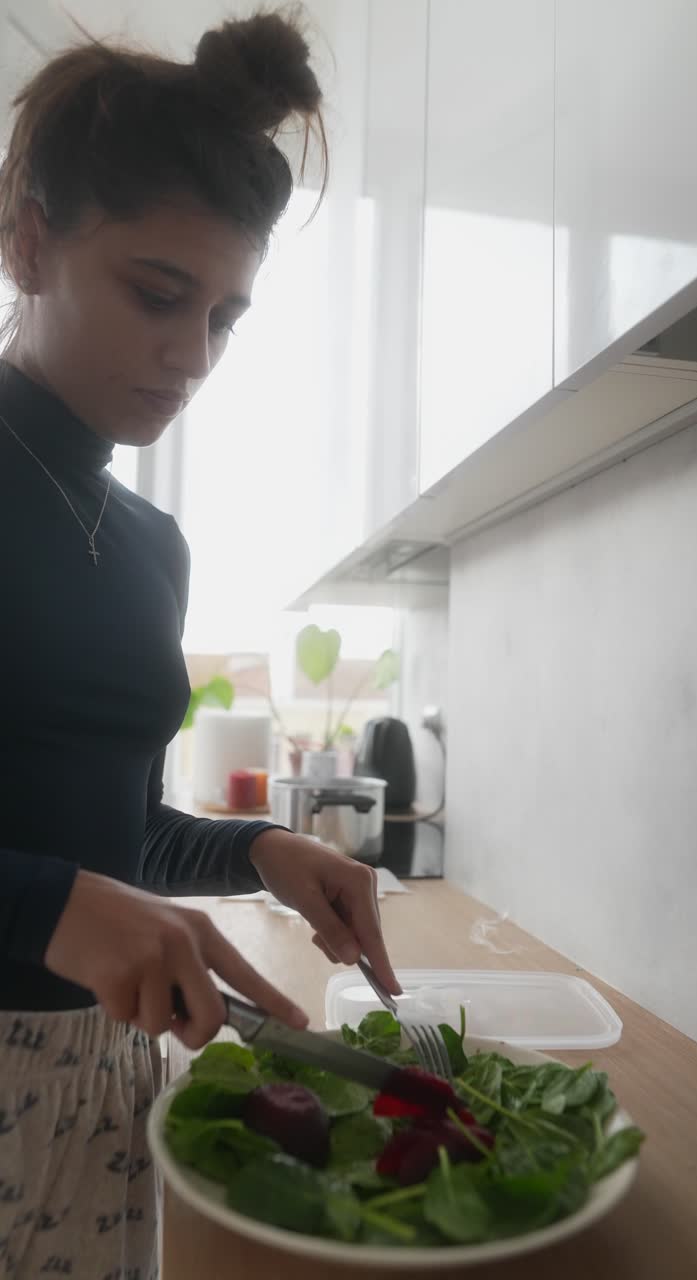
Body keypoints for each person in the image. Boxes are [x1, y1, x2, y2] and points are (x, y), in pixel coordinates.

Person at [0, 10, 400, 1277]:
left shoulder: (153, 542)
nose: (193, 356)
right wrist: (50, 904)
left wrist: (257, 847)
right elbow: (64, 888)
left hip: (100, 1074)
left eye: (227, 315)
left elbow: (104, 840)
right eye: (158, 294)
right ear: (27, 241)